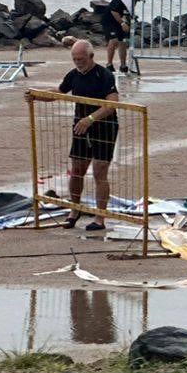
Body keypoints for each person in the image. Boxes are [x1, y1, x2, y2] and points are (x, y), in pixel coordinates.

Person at [51, 39, 119, 232]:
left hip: (104, 127)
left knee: (99, 172)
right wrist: (36, 95)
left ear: (91, 57)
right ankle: (74, 209)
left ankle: (100, 217)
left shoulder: (104, 75)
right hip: (81, 128)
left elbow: (112, 103)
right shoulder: (73, 75)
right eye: (74, 59)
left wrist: (90, 118)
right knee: (77, 169)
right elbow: (59, 92)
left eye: (81, 59)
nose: (78, 63)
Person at [100, 0, 145, 75]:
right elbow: (114, 11)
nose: (140, 0)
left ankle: (123, 65)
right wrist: (122, 23)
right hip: (109, 19)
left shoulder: (134, 1)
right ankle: (109, 64)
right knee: (113, 40)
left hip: (120, 19)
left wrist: (128, 22)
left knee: (123, 41)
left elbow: (128, 12)